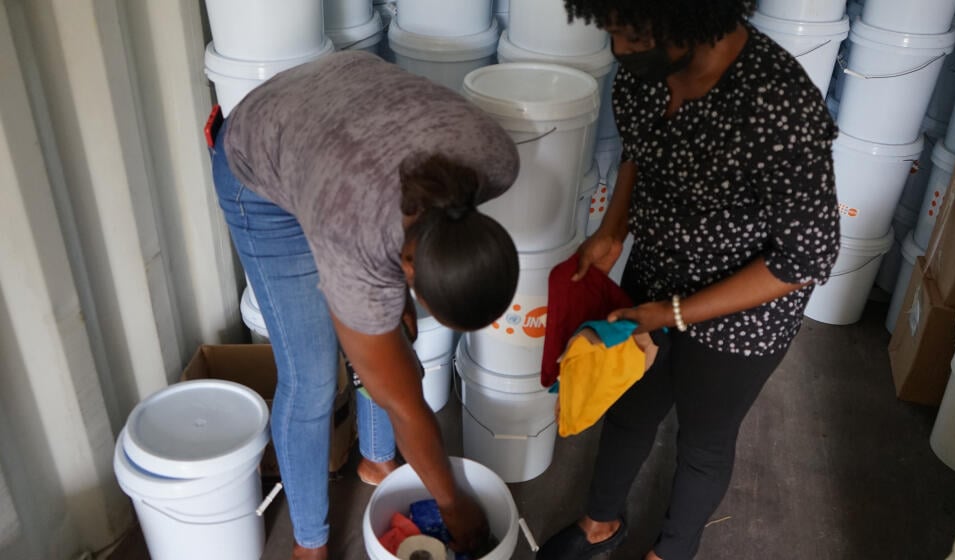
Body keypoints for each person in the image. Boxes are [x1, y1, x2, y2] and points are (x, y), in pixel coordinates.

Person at [538, 1, 840, 559]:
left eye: (633, 33)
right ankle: (600, 522)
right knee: (630, 403)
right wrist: (612, 229)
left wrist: (673, 315)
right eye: (611, 33)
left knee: (703, 439)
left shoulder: (778, 106)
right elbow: (639, 149)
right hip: (655, 274)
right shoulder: (646, 75)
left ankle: (670, 551)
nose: (621, 50)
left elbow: (805, 257)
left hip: (742, 316)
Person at [209, 51, 520, 560]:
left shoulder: (495, 162)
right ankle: (309, 541)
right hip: (263, 156)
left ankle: (379, 463)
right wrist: (453, 504)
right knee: (310, 377)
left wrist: (391, 316)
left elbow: (393, 358)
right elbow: (402, 397)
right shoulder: (353, 232)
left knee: (388, 348)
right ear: (411, 267)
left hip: (341, 114)